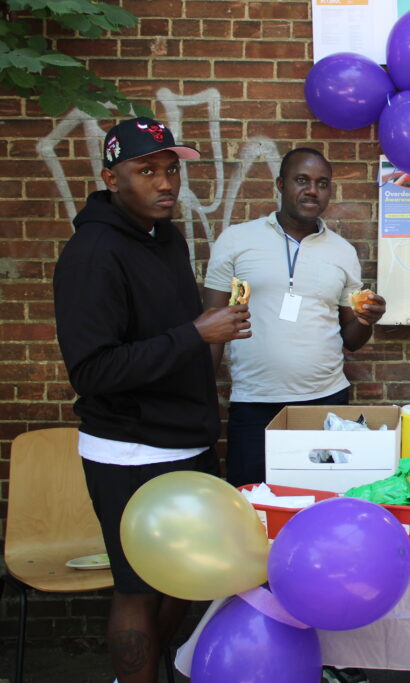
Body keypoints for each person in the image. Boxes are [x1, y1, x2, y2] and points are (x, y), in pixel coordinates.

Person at [53, 116, 250, 683]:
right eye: (147, 171)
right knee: (138, 587)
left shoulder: (165, 237)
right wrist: (196, 334)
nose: (166, 184)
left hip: (184, 440)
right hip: (128, 451)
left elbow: (167, 333)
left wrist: (208, 330)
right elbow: (92, 370)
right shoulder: (92, 254)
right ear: (112, 178)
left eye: (171, 170)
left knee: (186, 577)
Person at [203, 148, 386, 487]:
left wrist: (366, 320)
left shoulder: (343, 252)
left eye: (322, 183)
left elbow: (352, 342)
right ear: (281, 184)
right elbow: (211, 323)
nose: (312, 190)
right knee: (253, 504)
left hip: (325, 401)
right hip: (255, 402)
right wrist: (201, 395)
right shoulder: (237, 240)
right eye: (302, 180)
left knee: (324, 500)